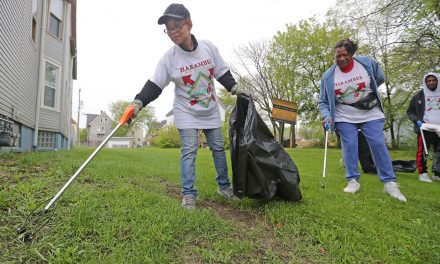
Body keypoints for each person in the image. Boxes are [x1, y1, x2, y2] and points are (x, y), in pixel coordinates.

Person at [125, 3, 246, 209]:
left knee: (218, 148)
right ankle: (189, 194)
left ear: (188, 24)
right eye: (168, 29)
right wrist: (138, 102)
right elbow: (155, 85)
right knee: (189, 150)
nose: (172, 32)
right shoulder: (169, 58)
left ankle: (224, 188)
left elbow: (221, 72)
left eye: (177, 26)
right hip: (186, 111)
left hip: (210, 110)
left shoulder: (208, 47)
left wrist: (234, 87)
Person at [319, 38, 407, 202]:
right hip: (344, 114)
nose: (341, 59)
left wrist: (365, 95)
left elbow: (379, 78)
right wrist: (326, 115)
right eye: (337, 56)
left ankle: (389, 183)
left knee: (377, 143)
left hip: (370, 111)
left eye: (345, 55)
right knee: (350, 145)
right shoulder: (328, 76)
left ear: (352, 54)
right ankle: (352, 181)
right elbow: (323, 101)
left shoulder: (366, 64)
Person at [407, 73, 440, 182]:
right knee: (422, 151)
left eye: (433, 80)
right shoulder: (418, 96)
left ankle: (437, 173)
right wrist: (417, 121)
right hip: (424, 127)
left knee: (438, 151)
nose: (431, 82)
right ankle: (423, 173)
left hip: (439, 128)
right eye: (428, 81)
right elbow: (410, 112)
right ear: (425, 82)